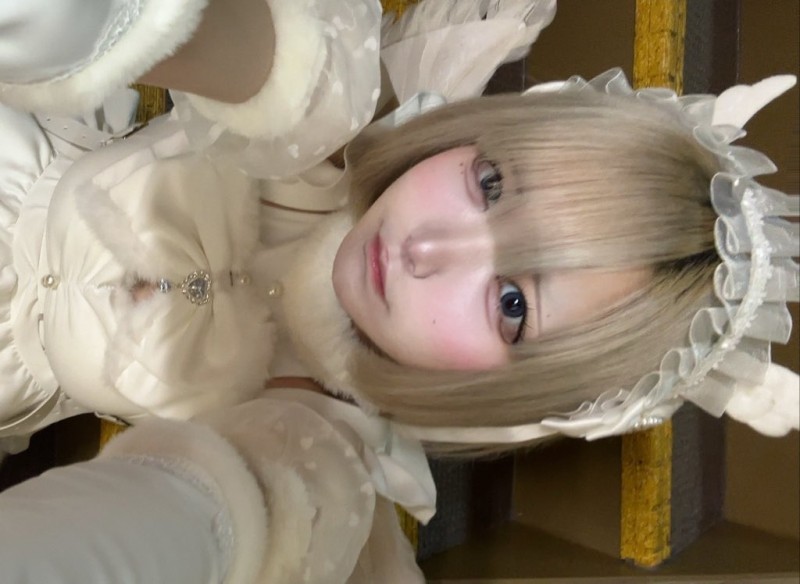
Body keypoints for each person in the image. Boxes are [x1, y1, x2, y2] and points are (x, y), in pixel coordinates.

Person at [0, 0, 797, 582]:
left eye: (512, 304)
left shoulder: (320, 447)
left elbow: (196, 520)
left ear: (511, 392)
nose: (426, 249)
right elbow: (228, 47)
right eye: (490, 183)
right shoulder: (331, 124)